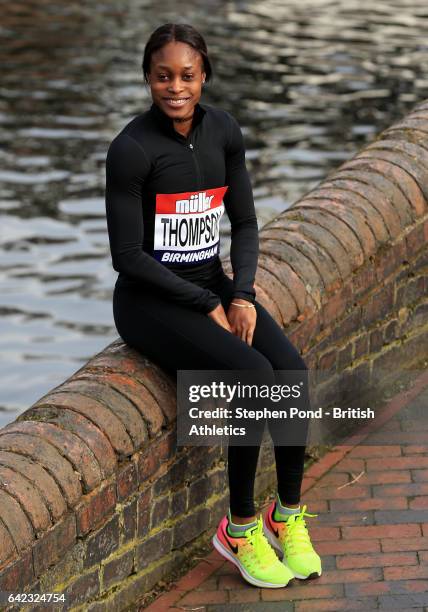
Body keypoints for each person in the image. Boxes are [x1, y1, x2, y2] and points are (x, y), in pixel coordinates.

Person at [105, 22, 322, 589]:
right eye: (162, 76)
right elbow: (127, 256)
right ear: (147, 78)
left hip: (212, 284)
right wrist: (207, 304)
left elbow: (245, 222)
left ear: (205, 77)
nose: (174, 87)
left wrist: (242, 294)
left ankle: (287, 515)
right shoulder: (131, 150)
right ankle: (240, 526)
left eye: (187, 76)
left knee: (291, 374)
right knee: (252, 373)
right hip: (150, 302)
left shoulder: (223, 131)